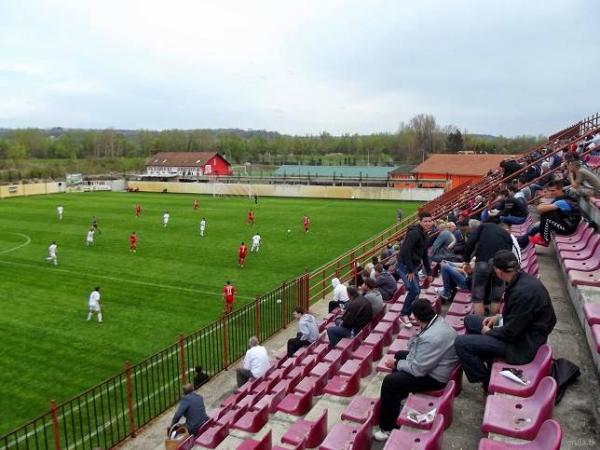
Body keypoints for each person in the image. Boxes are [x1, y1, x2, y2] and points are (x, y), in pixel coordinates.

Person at [454, 250, 556, 391]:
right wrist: (499, 317)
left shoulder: (522, 293)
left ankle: (486, 379)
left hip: (521, 346)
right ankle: (487, 353)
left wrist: (489, 332)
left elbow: (511, 333)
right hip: (519, 332)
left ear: (498, 271)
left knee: (460, 343)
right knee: (470, 320)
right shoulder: (522, 279)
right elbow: (522, 317)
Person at [373, 299, 459, 442]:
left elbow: (418, 370)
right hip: (437, 365)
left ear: (417, 317)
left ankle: (388, 428)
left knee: (390, 382)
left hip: (435, 377)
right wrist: (400, 360)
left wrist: (397, 365)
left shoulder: (430, 337)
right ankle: (397, 398)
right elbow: (417, 351)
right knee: (400, 354)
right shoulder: (438, 322)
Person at [463, 215, 513, 316]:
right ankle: (492, 323)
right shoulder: (506, 233)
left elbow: (470, 242)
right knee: (496, 296)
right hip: (500, 265)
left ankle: (480, 324)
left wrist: (466, 261)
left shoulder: (483, 227)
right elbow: (509, 252)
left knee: (478, 296)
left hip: (483, 261)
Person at [396, 211, 434, 326]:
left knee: (416, 291)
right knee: (415, 290)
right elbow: (405, 251)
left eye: (430, 221)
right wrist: (410, 270)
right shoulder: (414, 234)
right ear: (420, 221)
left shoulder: (425, 235)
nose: (428, 223)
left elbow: (425, 255)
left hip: (413, 266)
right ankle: (403, 315)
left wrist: (429, 272)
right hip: (405, 266)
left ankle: (407, 313)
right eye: (425, 221)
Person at [524, 180, 582, 247]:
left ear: (560, 189)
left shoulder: (562, 202)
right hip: (564, 224)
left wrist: (542, 205)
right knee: (539, 223)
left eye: (553, 191)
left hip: (568, 228)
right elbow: (541, 208)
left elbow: (540, 209)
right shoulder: (562, 198)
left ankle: (545, 240)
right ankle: (524, 242)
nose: (551, 193)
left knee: (547, 217)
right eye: (550, 191)